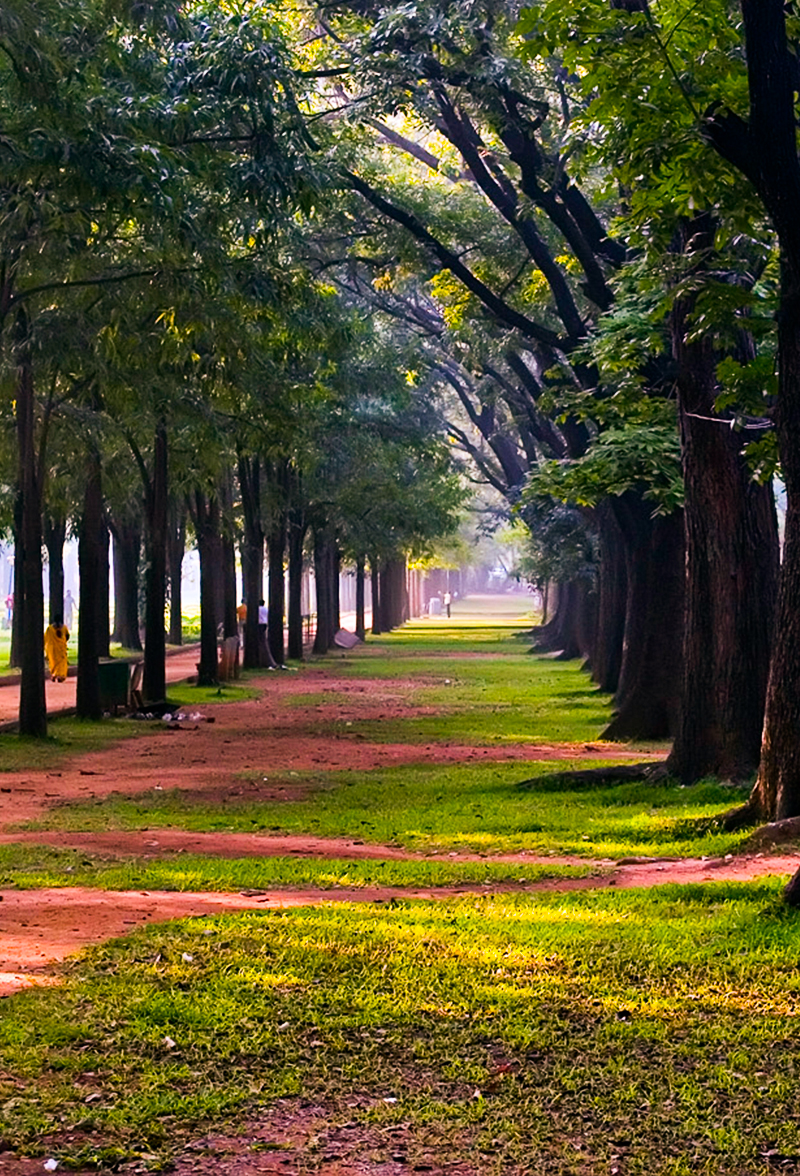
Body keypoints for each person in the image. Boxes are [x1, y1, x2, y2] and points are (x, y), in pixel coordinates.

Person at [44, 617, 69, 682]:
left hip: (52, 649)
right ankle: (61, 675)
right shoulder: (63, 628)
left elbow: (45, 638)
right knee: (62, 663)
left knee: (53, 662)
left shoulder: (50, 629)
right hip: (61, 648)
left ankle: (54, 674)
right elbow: (67, 636)